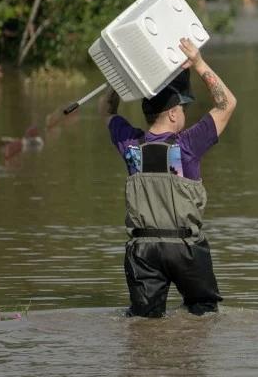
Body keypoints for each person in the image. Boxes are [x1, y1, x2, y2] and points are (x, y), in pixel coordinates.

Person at [99, 37, 238, 317]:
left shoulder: (130, 145)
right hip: (185, 248)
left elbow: (106, 110)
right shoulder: (187, 146)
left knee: (143, 322)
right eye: (183, 109)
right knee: (204, 315)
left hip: (143, 250)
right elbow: (227, 104)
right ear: (174, 114)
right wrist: (198, 63)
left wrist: (119, 76)